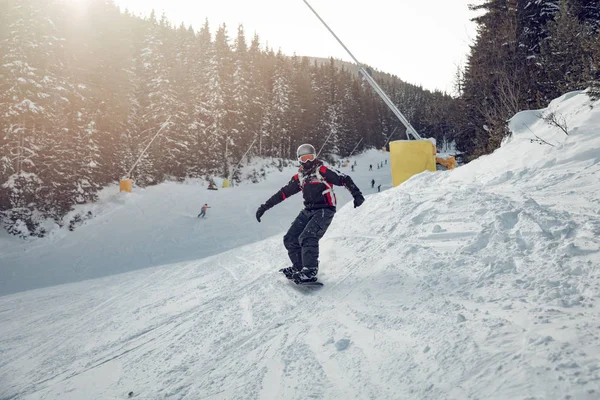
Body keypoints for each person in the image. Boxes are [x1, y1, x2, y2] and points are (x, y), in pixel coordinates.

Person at [255, 144, 365, 283]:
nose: (307, 162)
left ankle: (310, 271)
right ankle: (299, 267)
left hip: (325, 209)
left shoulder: (322, 170)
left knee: (308, 237)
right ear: (299, 160)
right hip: (309, 210)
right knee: (290, 238)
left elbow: (344, 179)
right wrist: (265, 207)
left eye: (310, 158)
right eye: (304, 158)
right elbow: (283, 193)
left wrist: (357, 195)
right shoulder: (300, 177)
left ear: (315, 157)